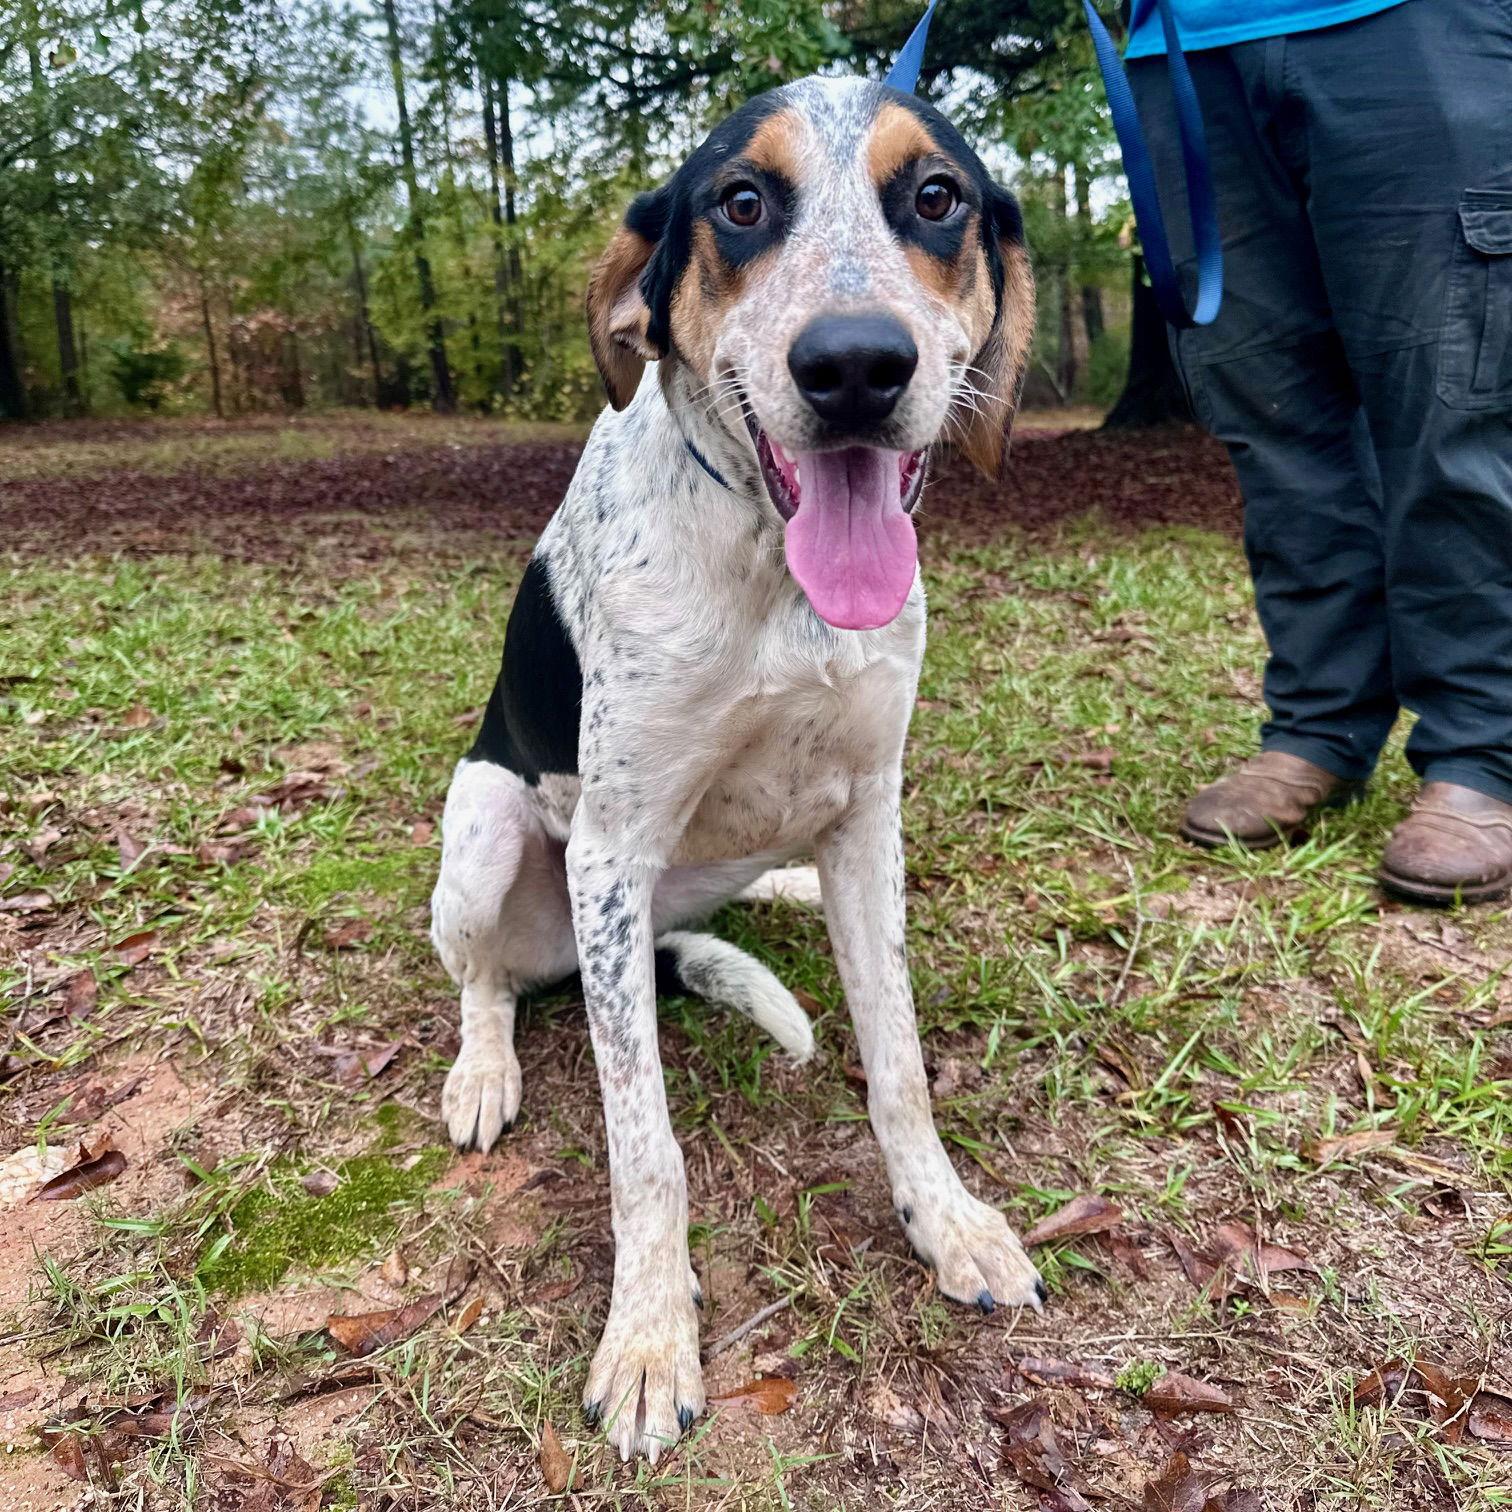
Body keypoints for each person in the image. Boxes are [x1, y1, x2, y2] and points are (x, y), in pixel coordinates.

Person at [1125, 0, 1512, 904]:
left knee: (1451, 395)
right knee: (1270, 410)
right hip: (1183, 43)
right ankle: (1321, 726)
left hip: (1411, 24)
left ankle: (1484, 752)